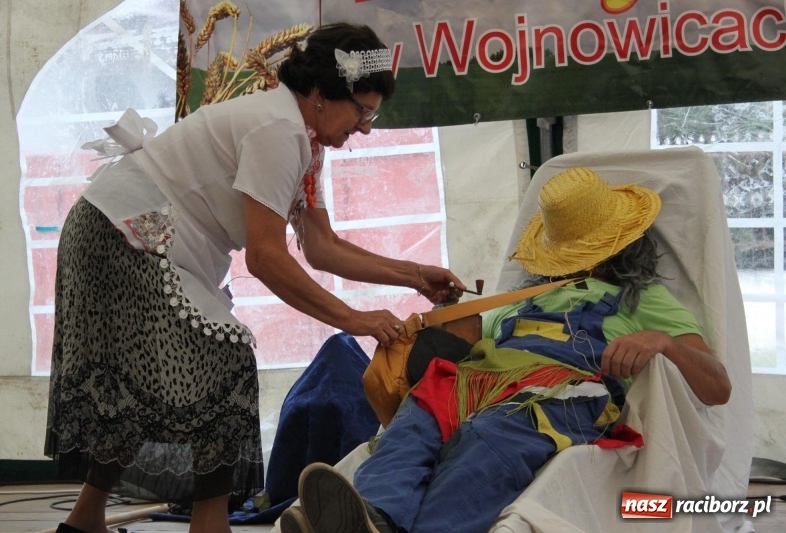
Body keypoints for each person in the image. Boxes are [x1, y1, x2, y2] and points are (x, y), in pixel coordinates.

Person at [45, 22, 465, 533]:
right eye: (362, 111)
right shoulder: (279, 130)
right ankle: (209, 526)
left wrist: (414, 275)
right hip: (122, 230)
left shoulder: (302, 139)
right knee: (224, 359)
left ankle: (84, 522)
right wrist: (354, 319)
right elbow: (265, 258)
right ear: (320, 94)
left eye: (371, 114)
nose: (365, 128)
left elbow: (322, 247)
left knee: (141, 382)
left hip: (121, 227)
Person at [279, 167, 732, 533]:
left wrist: (662, 342)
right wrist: (451, 320)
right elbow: (470, 347)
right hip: (480, 381)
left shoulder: (644, 299)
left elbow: (718, 387)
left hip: (562, 392)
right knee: (417, 420)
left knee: (487, 436)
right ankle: (373, 517)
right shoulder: (521, 300)